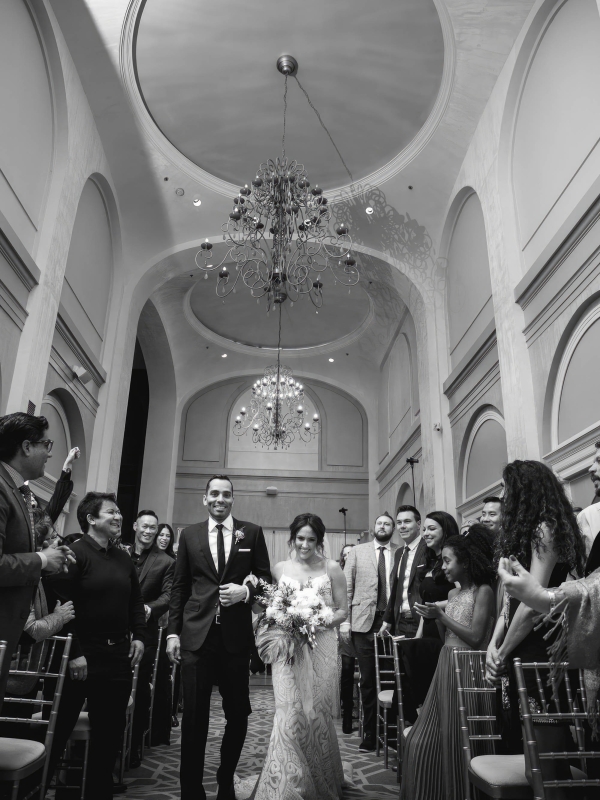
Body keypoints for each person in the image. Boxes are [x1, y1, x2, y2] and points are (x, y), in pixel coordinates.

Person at [167, 474, 271, 800]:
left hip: (235, 639)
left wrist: (246, 591)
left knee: (238, 714)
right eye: (214, 494)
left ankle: (225, 780)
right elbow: (180, 587)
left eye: (226, 494)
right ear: (205, 498)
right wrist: (172, 633)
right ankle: (191, 791)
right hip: (196, 637)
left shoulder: (251, 532)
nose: (220, 499)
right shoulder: (189, 535)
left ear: (232, 499)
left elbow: (265, 579)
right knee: (194, 718)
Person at [45, 492, 146, 800]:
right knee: (59, 732)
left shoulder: (122, 556)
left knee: (108, 739)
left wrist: (139, 635)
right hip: (80, 656)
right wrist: (75, 652)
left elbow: (135, 600)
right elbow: (60, 603)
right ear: (91, 519)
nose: (119, 517)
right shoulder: (75, 553)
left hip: (116, 657)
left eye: (119, 513)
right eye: (111, 513)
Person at [485, 460, 585, 759]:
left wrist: (502, 653)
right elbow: (509, 603)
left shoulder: (545, 528)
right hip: (520, 640)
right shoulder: (524, 532)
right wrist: (494, 643)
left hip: (541, 647)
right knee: (530, 760)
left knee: (545, 762)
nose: (502, 496)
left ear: (524, 489)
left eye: (505, 487)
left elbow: (532, 603)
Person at [254, 513, 348, 800]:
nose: (305, 544)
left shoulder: (332, 568)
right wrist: (283, 620)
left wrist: (315, 621)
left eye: (311, 539)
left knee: (316, 714)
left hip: (322, 648)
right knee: (289, 713)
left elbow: (344, 610)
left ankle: (320, 778)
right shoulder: (279, 568)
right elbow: (268, 603)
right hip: (288, 650)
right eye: (300, 538)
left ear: (319, 541)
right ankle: (288, 785)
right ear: (292, 538)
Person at [400, 535, 495, 800]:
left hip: (469, 666)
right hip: (447, 662)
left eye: (447, 560)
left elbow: (476, 638)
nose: (443, 566)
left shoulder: (483, 590)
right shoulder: (453, 593)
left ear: (465, 562)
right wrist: (435, 618)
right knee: (422, 740)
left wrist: (440, 615)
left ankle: (462, 790)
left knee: (460, 735)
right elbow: (447, 638)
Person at [0, 412, 73, 706]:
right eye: (47, 443)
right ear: (27, 446)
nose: (51, 452)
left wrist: (49, 557)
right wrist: (42, 560)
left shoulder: (17, 490)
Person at [340, 512, 400, 751]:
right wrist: (345, 621)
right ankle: (370, 734)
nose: (382, 526)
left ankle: (392, 733)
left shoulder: (400, 552)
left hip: (391, 624)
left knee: (392, 678)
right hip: (362, 622)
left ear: (392, 529)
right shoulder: (358, 551)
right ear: (373, 527)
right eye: (379, 523)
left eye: (387, 523)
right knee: (367, 680)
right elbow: (347, 586)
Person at [128, 509, 175, 765]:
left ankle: (134, 744)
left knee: (141, 688)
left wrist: (150, 608)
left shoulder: (165, 562)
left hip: (145, 633)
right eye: (144, 526)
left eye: (152, 528)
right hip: (113, 632)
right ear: (135, 526)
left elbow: (169, 596)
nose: (148, 531)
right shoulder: (119, 553)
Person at [380, 505, 427, 638]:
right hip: (399, 621)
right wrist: (387, 619)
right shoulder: (399, 552)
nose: (402, 526)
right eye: (399, 522)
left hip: (420, 620)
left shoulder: (427, 548)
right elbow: (396, 587)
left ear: (418, 524)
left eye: (407, 521)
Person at [338, 543, 356, 734]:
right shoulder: (338, 573)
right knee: (346, 671)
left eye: (352, 553)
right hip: (342, 627)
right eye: (346, 554)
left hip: (362, 624)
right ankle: (347, 717)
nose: (349, 556)